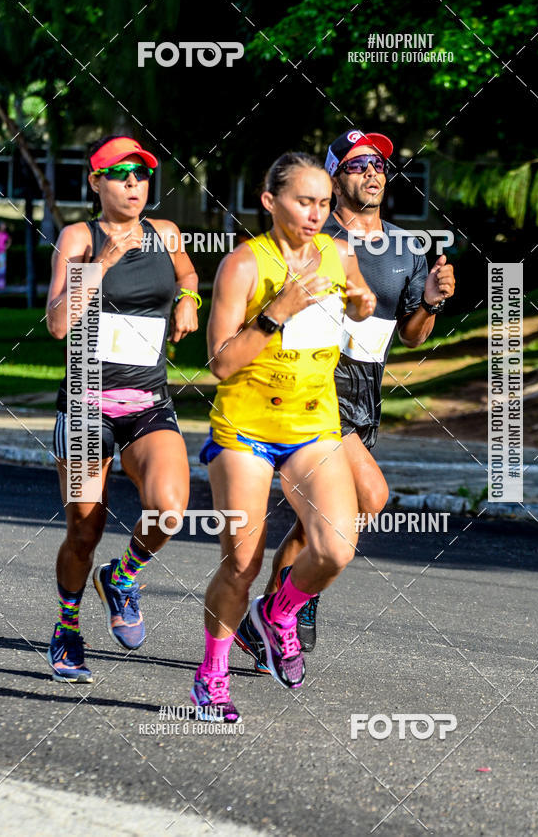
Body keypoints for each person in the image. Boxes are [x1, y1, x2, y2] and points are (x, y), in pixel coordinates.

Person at [236, 128, 456, 668]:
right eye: (358, 164)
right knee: (372, 497)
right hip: (321, 384)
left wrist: (430, 302)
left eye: (380, 163)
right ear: (335, 177)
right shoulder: (315, 239)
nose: (373, 172)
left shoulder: (406, 247)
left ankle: (267, 614)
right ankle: (289, 606)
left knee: (320, 514)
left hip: (368, 392)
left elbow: (411, 335)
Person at [191, 151, 376, 722]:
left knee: (336, 548)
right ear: (271, 201)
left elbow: (359, 302)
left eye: (323, 202)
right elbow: (220, 364)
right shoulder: (244, 265)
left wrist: (363, 304)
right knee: (242, 566)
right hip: (246, 428)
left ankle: (280, 612)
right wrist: (278, 310)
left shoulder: (338, 253)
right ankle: (211, 677)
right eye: (303, 201)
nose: (316, 213)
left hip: (314, 424)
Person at [46, 134, 200, 683]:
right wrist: (103, 263)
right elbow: (59, 324)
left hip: (148, 403)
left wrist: (189, 299)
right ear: (96, 182)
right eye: (120, 173)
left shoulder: (166, 233)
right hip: (87, 404)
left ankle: (124, 576)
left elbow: (185, 271)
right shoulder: (77, 237)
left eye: (141, 173)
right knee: (83, 534)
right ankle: (67, 630)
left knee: (170, 509)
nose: (134, 182)